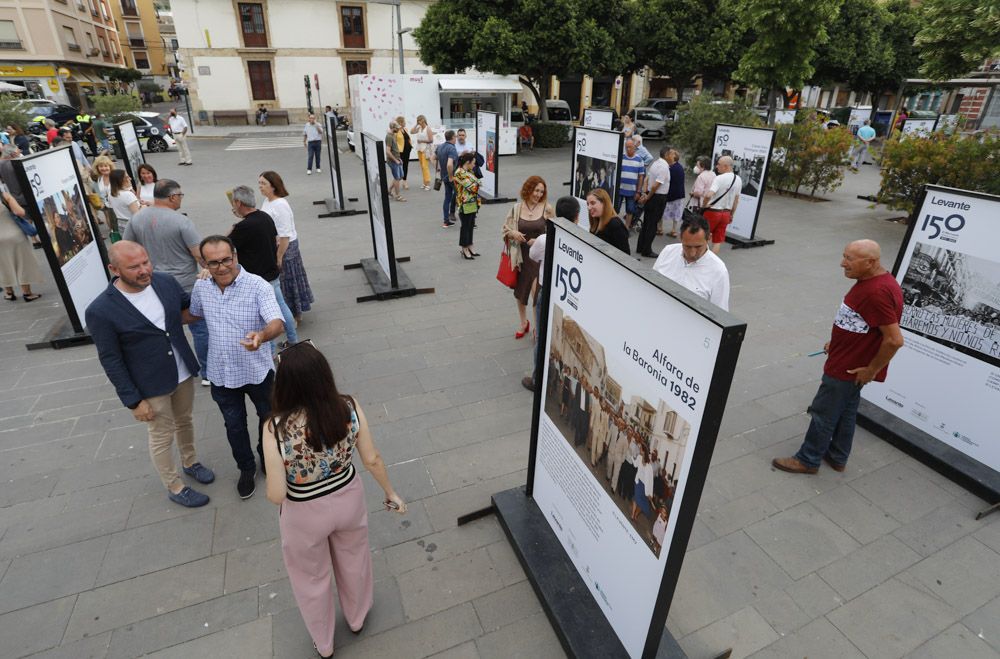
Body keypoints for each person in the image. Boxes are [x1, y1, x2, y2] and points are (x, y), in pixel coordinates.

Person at [262, 340, 407, 659]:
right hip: (347, 497)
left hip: (303, 511)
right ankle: (356, 618)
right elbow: (371, 458)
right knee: (354, 558)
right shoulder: (349, 407)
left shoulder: (275, 427)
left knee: (310, 577)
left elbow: (276, 495)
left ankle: (325, 644)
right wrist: (390, 492)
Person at [86, 241, 214, 508]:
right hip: (150, 385)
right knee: (161, 435)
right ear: (114, 269)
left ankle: (190, 462)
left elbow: (188, 310)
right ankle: (175, 486)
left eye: (146, 262)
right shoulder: (101, 310)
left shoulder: (165, 282)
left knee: (185, 420)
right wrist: (133, 400)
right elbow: (110, 359)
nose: (144, 270)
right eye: (134, 267)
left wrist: (206, 283)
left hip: (181, 371)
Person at [773, 239, 904, 474]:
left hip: (847, 369)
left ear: (871, 262)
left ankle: (808, 459)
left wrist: (870, 370)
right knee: (845, 412)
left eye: (849, 259)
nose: (842, 263)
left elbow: (894, 340)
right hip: (847, 361)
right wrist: (838, 342)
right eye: (844, 256)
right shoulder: (872, 281)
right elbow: (861, 322)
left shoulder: (877, 291)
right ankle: (837, 456)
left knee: (823, 413)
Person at [189, 235, 284, 498]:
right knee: (234, 426)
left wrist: (262, 336)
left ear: (235, 256)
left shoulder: (257, 286)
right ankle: (246, 469)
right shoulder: (202, 286)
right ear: (204, 264)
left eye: (226, 260)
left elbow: (277, 322)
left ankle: (268, 460)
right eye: (214, 263)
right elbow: (194, 313)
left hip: (257, 371)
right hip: (221, 372)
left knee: (268, 420)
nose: (221, 267)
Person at [124, 179, 210, 385]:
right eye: (180, 195)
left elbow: (127, 247)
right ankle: (207, 372)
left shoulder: (137, 219)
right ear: (172, 197)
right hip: (186, 285)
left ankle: (172, 371)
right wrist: (209, 270)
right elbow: (198, 254)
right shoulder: (181, 221)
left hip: (154, 286)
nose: (181, 199)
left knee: (164, 330)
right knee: (200, 328)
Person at [228, 184, 298, 349]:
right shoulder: (265, 217)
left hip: (257, 277)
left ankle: (271, 351)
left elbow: (224, 245)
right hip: (271, 272)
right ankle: (293, 340)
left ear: (238, 203)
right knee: (281, 306)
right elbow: (276, 240)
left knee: (263, 316)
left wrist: (233, 228)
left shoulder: (243, 227)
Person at [521, 196, 580, 391]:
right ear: (577, 217)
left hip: (547, 291)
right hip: (571, 295)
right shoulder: (582, 237)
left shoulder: (545, 239)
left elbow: (533, 256)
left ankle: (538, 379)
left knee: (542, 335)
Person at [501, 176, 555, 338]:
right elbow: (505, 228)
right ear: (528, 189)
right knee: (520, 291)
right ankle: (523, 322)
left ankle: (538, 327)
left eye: (541, 191)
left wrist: (539, 241)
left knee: (535, 294)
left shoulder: (547, 209)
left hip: (538, 258)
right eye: (536, 190)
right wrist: (513, 233)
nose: (538, 194)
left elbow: (554, 233)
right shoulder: (516, 208)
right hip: (521, 257)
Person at [259, 171, 314, 322]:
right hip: (277, 245)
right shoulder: (267, 201)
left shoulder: (280, 205)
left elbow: (285, 235)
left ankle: (294, 316)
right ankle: (289, 314)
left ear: (273, 186)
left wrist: (279, 257)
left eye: (263, 184)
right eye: (260, 183)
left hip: (285, 248)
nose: (260, 187)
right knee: (284, 282)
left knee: (288, 281)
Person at [652, 216, 731, 311]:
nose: (692, 253)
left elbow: (720, 312)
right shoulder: (668, 251)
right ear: (680, 237)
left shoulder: (718, 271)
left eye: (698, 247)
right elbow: (652, 286)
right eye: (687, 246)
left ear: (709, 238)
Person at [0, 187, 43, 302]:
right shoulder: (5, 196)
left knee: (2, 266)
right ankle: (27, 293)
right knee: (22, 264)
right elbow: (20, 212)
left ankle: (9, 293)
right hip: (15, 236)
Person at [701, 155, 742, 254]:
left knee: (703, 236)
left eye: (719, 164)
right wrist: (732, 214)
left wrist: (704, 205)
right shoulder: (738, 179)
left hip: (713, 212)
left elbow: (708, 195)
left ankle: (700, 258)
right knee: (717, 240)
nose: (716, 166)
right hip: (726, 213)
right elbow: (736, 201)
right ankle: (711, 261)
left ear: (726, 166)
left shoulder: (719, 178)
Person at [636, 146, 671, 258]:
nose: (673, 156)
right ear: (666, 155)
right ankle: (647, 250)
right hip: (658, 197)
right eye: (671, 154)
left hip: (652, 196)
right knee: (652, 225)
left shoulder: (655, 163)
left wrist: (646, 193)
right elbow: (656, 185)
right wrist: (648, 196)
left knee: (647, 222)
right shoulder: (664, 167)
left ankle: (640, 247)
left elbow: (647, 179)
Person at [587, 188, 630, 255]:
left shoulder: (615, 225)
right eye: (588, 204)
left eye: (593, 203)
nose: (589, 207)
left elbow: (625, 255)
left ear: (604, 203)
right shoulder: (596, 220)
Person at [453, 152, 480, 260]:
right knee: (465, 225)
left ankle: (470, 244)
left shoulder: (468, 171)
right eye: (473, 163)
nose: (474, 165)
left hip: (472, 202)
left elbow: (476, 183)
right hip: (464, 203)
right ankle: (464, 247)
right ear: (468, 162)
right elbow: (473, 187)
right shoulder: (459, 172)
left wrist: (476, 183)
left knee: (471, 224)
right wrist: (477, 183)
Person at [618, 138, 645, 228]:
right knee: (615, 209)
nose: (628, 149)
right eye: (626, 147)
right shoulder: (621, 157)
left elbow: (641, 177)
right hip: (620, 189)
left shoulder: (639, 160)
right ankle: (616, 226)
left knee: (630, 210)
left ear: (634, 147)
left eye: (630, 147)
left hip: (632, 190)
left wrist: (638, 191)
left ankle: (626, 227)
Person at [436, 130, 458, 227]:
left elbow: (432, 158)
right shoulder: (452, 148)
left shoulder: (440, 147)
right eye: (456, 136)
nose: (456, 138)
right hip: (451, 177)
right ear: (453, 137)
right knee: (460, 195)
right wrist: (451, 176)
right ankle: (466, 219)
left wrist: (438, 169)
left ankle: (446, 220)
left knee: (447, 197)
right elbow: (450, 164)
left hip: (443, 176)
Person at [662, 148, 686, 237]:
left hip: (671, 194)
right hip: (679, 194)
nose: (668, 155)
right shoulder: (679, 167)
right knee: (676, 213)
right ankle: (673, 230)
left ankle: (660, 228)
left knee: (662, 211)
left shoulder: (671, 168)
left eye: (670, 154)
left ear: (674, 157)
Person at [410, 115, 434, 190]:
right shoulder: (419, 128)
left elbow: (431, 140)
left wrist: (421, 141)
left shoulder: (428, 128)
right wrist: (416, 124)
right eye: (417, 121)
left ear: (423, 120)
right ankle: (424, 183)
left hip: (425, 149)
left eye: (419, 120)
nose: (418, 122)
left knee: (425, 166)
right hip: (419, 149)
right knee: (422, 166)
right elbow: (411, 132)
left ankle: (428, 184)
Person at [384, 122, 405, 201]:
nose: (399, 129)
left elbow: (395, 149)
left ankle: (389, 190)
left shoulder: (393, 135)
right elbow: (388, 151)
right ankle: (398, 196)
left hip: (396, 159)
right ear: (393, 128)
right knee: (397, 178)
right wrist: (396, 160)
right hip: (393, 161)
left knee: (400, 176)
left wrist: (398, 158)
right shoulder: (389, 136)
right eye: (397, 128)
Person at [394, 115, 412, 191]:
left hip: (407, 150)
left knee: (405, 165)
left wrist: (410, 145)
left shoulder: (405, 129)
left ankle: (404, 181)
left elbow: (408, 138)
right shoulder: (396, 131)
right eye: (404, 121)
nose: (405, 123)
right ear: (400, 122)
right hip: (400, 151)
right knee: (399, 166)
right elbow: (394, 142)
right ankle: (397, 181)